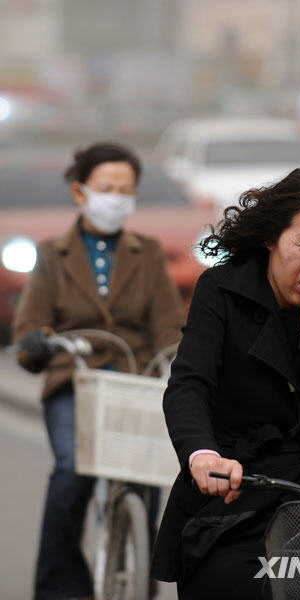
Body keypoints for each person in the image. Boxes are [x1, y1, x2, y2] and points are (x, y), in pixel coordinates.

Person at [150, 167, 300, 599]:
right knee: (234, 584)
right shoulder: (221, 288)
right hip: (234, 489)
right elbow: (190, 383)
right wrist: (203, 455)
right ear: (270, 239)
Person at [12, 142, 185, 600]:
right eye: (107, 187)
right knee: (73, 469)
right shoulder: (53, 254)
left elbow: (171, 325)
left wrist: (185, 361)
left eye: (126, 189)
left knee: (145, 481)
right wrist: (35, 341)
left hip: (136, 380)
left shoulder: (146, 253)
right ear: (80, 191)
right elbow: (29, 327)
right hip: (75, 379)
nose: (117, 197)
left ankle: (138, 581)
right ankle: (60, 589)